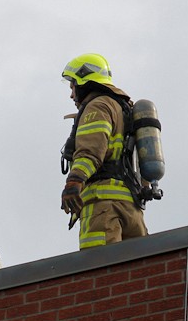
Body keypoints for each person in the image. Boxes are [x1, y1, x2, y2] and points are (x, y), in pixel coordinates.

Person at [59, 52, 148, 249]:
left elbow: (91, 150)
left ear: (84, 81)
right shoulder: (123, 108)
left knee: (99, 271)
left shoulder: (98, 106)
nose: (71, 94)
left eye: (73, 86)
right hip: (131, 209)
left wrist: (75, 180)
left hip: (104, 207)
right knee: (136, 272)